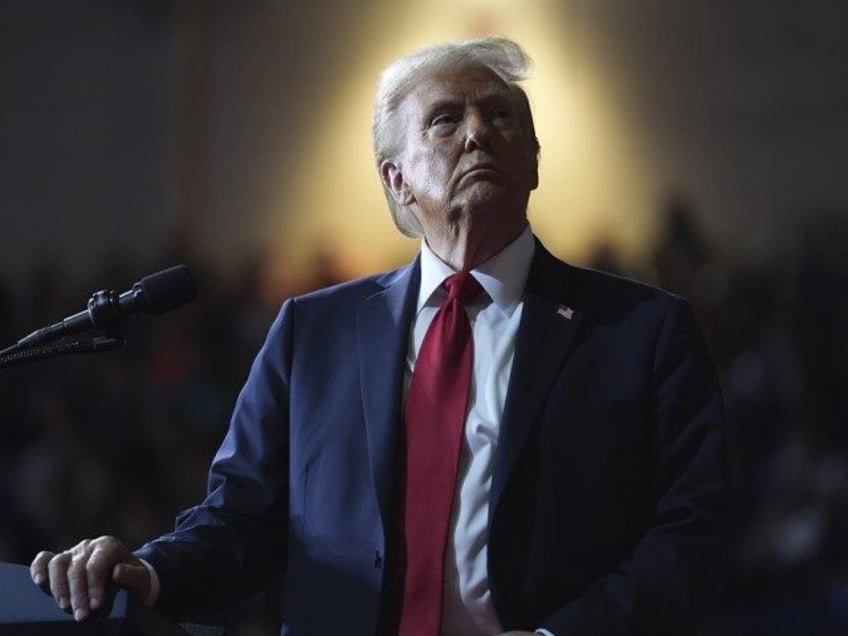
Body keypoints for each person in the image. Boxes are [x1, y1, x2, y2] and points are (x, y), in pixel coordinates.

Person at [30, 36, 730, 635]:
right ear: (397, 181)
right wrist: (146, 570)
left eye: (500, 117)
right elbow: (241, 516)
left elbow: (695, 532)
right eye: (445, 121)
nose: (478, 133)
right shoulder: (315, 331)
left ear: (535, 161)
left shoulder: (641, 330)